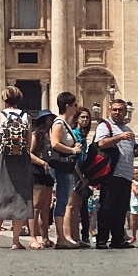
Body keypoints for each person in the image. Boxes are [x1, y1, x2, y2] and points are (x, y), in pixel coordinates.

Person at [0, 86, 36, 250]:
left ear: (4, 100)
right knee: (20, 196)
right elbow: (29, 142)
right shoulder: (26, 117)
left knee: (0, 195)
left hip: (3, 160)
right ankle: (16, 241)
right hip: (22, 160)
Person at [90, 98, 137, 248]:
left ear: (125, 112)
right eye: (114, 109)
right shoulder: (105, 126)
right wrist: (119, 137)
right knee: (107, 207)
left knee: (121, 208)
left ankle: (118, 239)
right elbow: (101, 143)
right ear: (110, 110)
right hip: (111, 173)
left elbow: (131, 152)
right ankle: (102, 239)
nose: (117, 112)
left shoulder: (128, 130)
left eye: (120, 110)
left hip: (126, 173)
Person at [50, 92, 86, 247]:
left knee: (64, 201)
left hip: (66, 167)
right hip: (61, 167)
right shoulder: (59, 123)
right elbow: (55, 143)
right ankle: (60, 238)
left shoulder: (65, 123)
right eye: (75, 105)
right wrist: (73, 151)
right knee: (62, 201)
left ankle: (62, 237)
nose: (76, 108)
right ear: (67, 106)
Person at [28, 111, 58, 246]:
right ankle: (33, 237)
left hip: (48, 173)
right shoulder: (35, 135)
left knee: (46, 207)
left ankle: (45, 237)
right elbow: (28, 153)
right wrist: (42, 162)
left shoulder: (48, 136)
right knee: (36, 206)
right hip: (37, 172)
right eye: (50, 119)